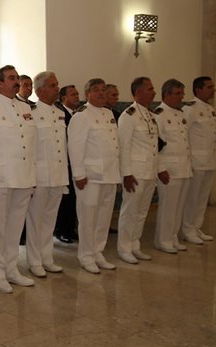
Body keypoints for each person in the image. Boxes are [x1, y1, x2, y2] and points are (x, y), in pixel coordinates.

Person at [0, 66, 36, 293]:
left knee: (15, 227)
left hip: (23, 176)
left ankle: (12, 269)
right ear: (0, 83)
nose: (16, 82)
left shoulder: (25, 107)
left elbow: (31, 146)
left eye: (17, 78)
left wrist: (33, 177)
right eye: (11, 78)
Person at [68, 78, 120, 274]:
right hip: (90, 176)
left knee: (104, 217)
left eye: (103, 90)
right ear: (87, 94)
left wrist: (118, 173)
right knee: (88, 218)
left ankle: (98, 251)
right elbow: (75, 147)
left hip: (109, 174)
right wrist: (79, 174)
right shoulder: (82, 116)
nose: (100, 93)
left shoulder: (108, 114)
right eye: (96, 90)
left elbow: (115, 146)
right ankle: (86, 256)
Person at [116, 77, 165, 264]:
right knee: (130, 211)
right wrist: (126, 174)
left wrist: (159, 169)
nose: (154, 92)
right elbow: (124, 147)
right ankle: (124, 248)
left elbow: (155, 146)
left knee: (142, 211)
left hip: (149, 171)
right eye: (150, 89)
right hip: (135, 172)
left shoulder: (151, 115)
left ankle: (135, 244)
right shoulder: (128, 116)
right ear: (138, 92)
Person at [26, 71, 67, 277]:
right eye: (52, 85)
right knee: (35, 220)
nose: (57, 88)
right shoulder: (31, 111)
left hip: (57, 175)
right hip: (40, 176)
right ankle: (34, 261)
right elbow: (29, 148)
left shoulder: (59, 112)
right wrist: (31, 179)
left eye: (57, 84)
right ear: (40, 90)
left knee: (50, 219)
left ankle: (47, 257)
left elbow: (62, 147)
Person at [153, 79, 192, 254]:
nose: (181, 97)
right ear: (166, 94)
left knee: (179, 205)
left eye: (182, 93)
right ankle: (163, 239)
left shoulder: (180, 114)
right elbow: (157, 146)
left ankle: (173, 236)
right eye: (178, 94)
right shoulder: (159, 115)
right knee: (168, 207)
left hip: (183, 166)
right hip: (170, 168)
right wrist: (160, 168)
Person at [181, 76, 216, 244]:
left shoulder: (210, 109)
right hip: (196, 161)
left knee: (202, 198)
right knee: (192, 198)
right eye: (209, 87)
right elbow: (184, 134)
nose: (213, 90)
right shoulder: (190, 109)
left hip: (209, 159)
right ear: (198, 90)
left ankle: (196, 227)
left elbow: (212, 133)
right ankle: (188, 229)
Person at [54, 85, 80, 244]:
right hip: (63, 162)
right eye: (73, 94)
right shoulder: (61, 114)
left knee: (73, 199)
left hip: (74, 162)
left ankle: (70, 228)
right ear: (64, 98)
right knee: (65, 200)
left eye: (77, 94)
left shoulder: (78, 114)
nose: (77, 97)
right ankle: (61, 230)